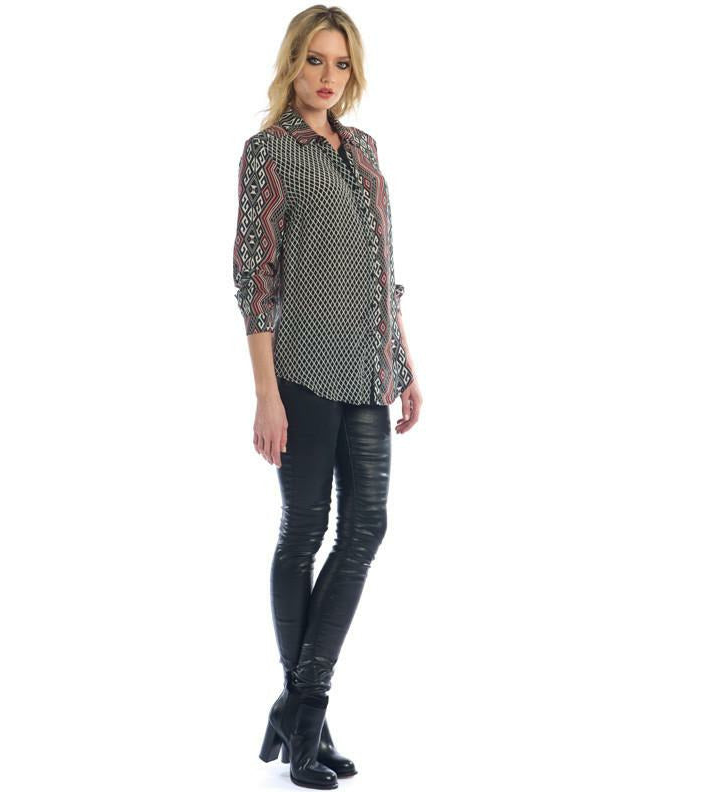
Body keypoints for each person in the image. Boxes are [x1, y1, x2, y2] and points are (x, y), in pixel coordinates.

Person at [232, 6, 423, 788]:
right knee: (305, 531)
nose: (327, 76)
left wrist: (405, 361)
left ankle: (298, 707)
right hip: (304, 373)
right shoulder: (268, 152)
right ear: (293, 63)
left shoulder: (363, 148)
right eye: (315, 60)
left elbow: (383, 267)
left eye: (340, 63)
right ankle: (309, 713)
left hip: (370, 369)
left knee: (367, 527)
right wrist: (265, 394)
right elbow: (254, 278)